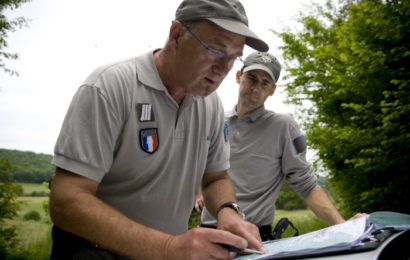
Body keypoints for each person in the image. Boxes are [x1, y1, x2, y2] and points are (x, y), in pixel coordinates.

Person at [49, 0, 271, 259]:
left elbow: (215, 178)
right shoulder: (110, 87)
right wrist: (167, 247)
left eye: (233, 57)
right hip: (94, 252)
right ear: (177, 34)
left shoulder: (210, 104)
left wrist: (227, 210)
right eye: (214, 50)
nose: (223, 68)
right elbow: (67, 201)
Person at [196, 51, 367, 241]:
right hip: (207, 234)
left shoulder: (283, 127)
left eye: (265, 83)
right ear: (238, 76)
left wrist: (344, 227)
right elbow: (204, 168)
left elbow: (307, 185)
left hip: (253, 239)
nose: (256, 87)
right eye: (251, 78)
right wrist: (198, 193)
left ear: (272, 90)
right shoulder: (216, 120)